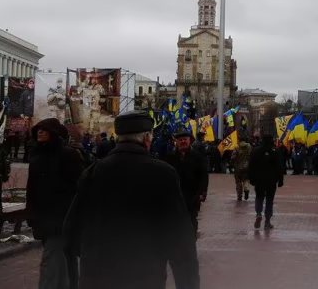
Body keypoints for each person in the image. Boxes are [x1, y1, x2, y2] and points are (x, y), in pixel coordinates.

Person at [63, 110, 200, 289]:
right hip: (144, 275)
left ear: (118, 138)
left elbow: (71, 231)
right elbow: (180, 239)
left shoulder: (93, 172)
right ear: (147, 138)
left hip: (97, 277)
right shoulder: (163, 174)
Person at [25, 118, 85, 289]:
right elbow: (32, 188)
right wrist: (31, 214)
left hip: (62, 219)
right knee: (63, 262)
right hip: (42, 217)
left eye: (44, 129)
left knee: (50, 263)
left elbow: (79, 186)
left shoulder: (68, 155)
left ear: (54, 133)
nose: (39, 132)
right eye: (38, 129)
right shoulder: (36, 156)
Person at [163, 129, 209, 234]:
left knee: (191, 218)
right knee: (176, 219)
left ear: (189, 140)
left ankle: (192, 238)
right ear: (176, 141)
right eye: (180, 140)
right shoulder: (170, 156)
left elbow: (203, 175)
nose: (183, 141)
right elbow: (165, 175)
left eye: (185, 139)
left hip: (193, 195)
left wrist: (202, 192)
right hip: (175, 194)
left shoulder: (197, 156)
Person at [248, 134, 284, 230]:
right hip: (271, 180)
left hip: (259, 179)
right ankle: (267, 221)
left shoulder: (256, 151)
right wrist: (280, 180)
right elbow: (279, 167)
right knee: (269, 199)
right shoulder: (275, 151)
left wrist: (251, 178)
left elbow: (251, 165)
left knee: (259, 197)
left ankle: (258, 213)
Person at [231, 134, 252, 201]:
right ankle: (246, 189)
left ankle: (239, 195)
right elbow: (251, 155)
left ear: (239, 140)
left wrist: (232, 161)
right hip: (247, 166)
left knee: (238, 181)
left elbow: (233, 157)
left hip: (238, 167)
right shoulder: (249, 147)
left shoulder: (236, 147)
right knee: (246, 179)